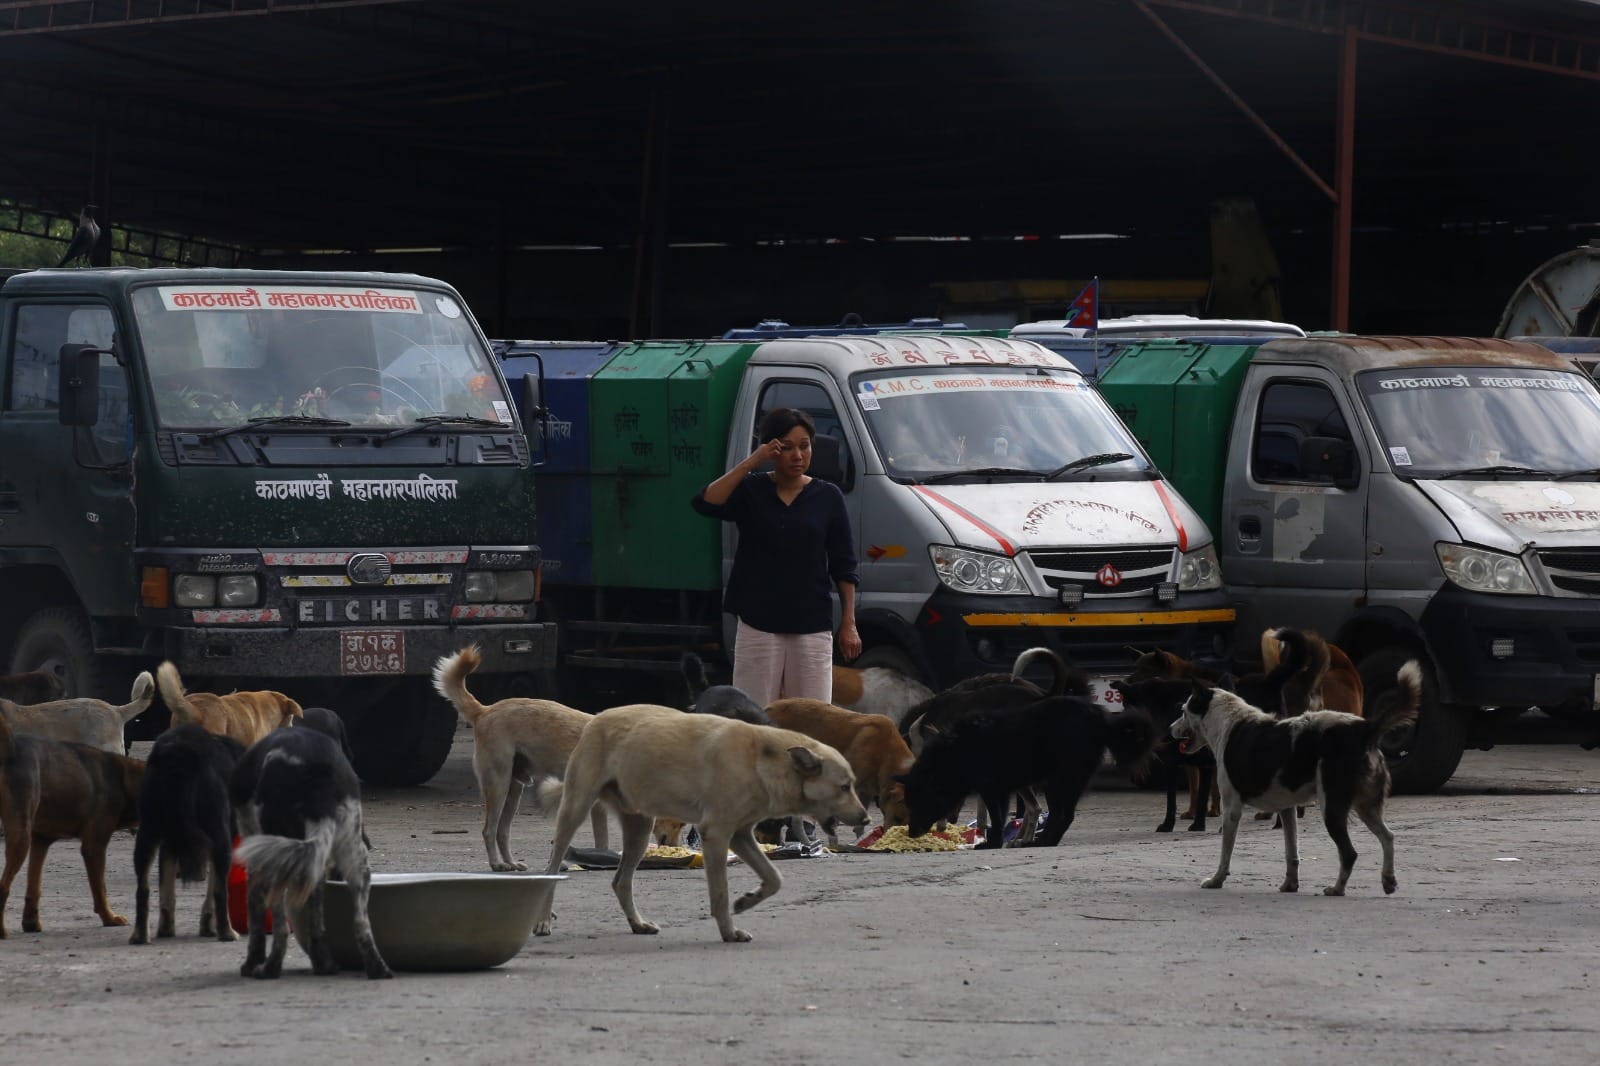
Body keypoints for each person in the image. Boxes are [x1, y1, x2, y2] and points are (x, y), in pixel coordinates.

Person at [691, 407, 861, 706]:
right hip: (758, 623)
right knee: (754, 717)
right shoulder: (751, 491)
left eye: (804, 446)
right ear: (771, 448)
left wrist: (849, 623)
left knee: (812, 717)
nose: (797, 455)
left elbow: (844, 565)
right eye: (787, 447)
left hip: (811, 624)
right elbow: (705, 503)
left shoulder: (828, 497)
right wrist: (751, 462)